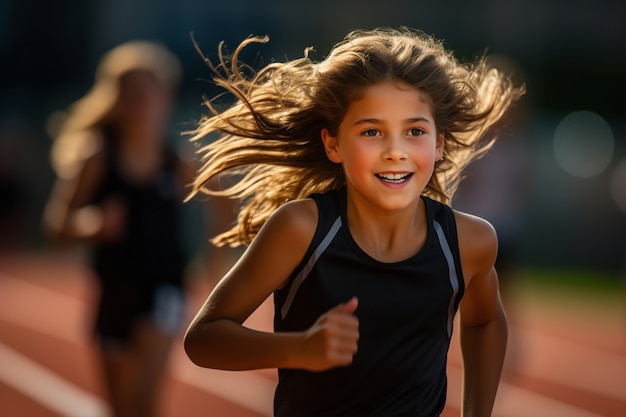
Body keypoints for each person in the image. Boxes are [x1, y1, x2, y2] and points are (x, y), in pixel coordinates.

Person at [184, 28, 525, 417]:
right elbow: (203, 339)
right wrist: (301, 349)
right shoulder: (301, 228)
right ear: (333, 144)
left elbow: (485, 322)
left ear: (439, 142)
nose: (395, 152)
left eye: (415, 131)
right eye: (372, 132)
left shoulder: (469, 242)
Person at [44, 41, 197, 417]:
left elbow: (223, 205)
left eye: (148, 91)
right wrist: (93, 225)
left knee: (145, 401)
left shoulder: (177, 163)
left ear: (165, 98)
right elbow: (56, 224)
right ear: (114, 98)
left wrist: (219, 254)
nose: (140, 101)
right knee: (122, 408)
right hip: (114, 287)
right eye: (130, 92)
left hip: (165, 285)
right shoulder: (98, 159)